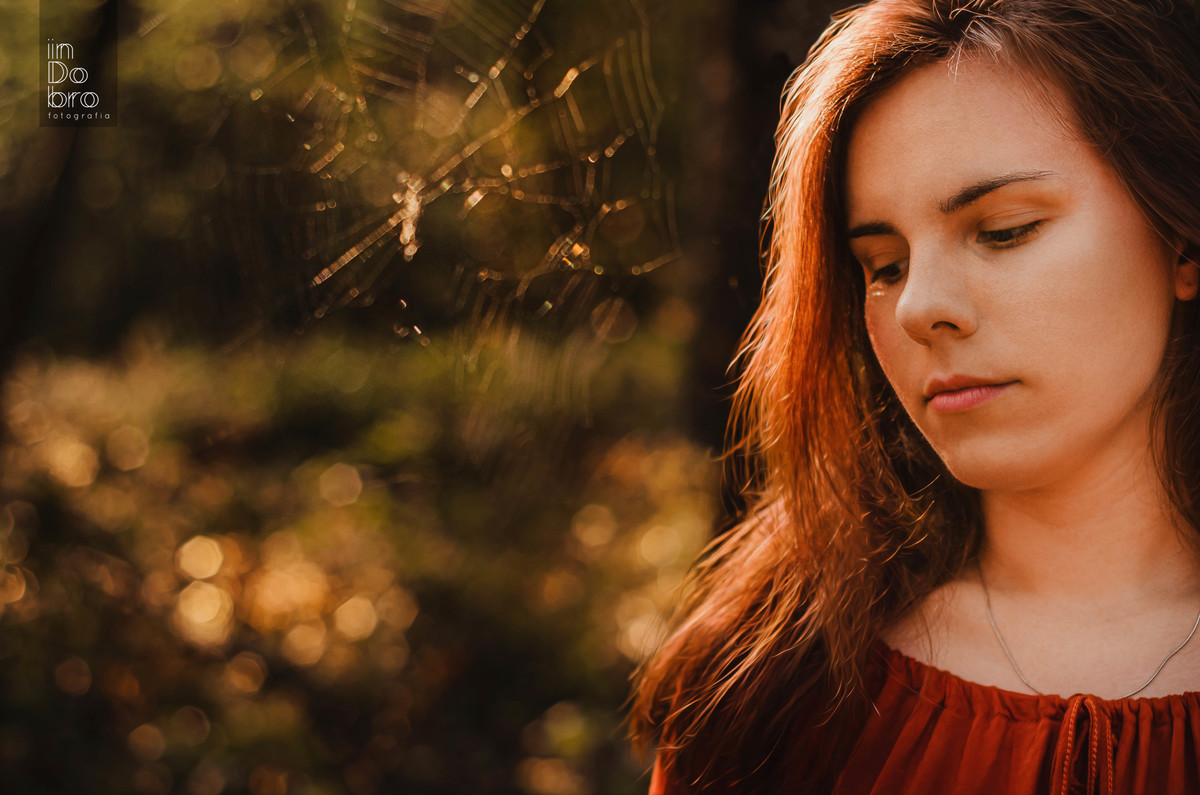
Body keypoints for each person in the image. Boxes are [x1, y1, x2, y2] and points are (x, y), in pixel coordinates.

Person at [628, 0, 1200, 792]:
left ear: (1183, 238)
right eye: (883, 264)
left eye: (1003, 230)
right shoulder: (771, 685)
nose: (917, 306)